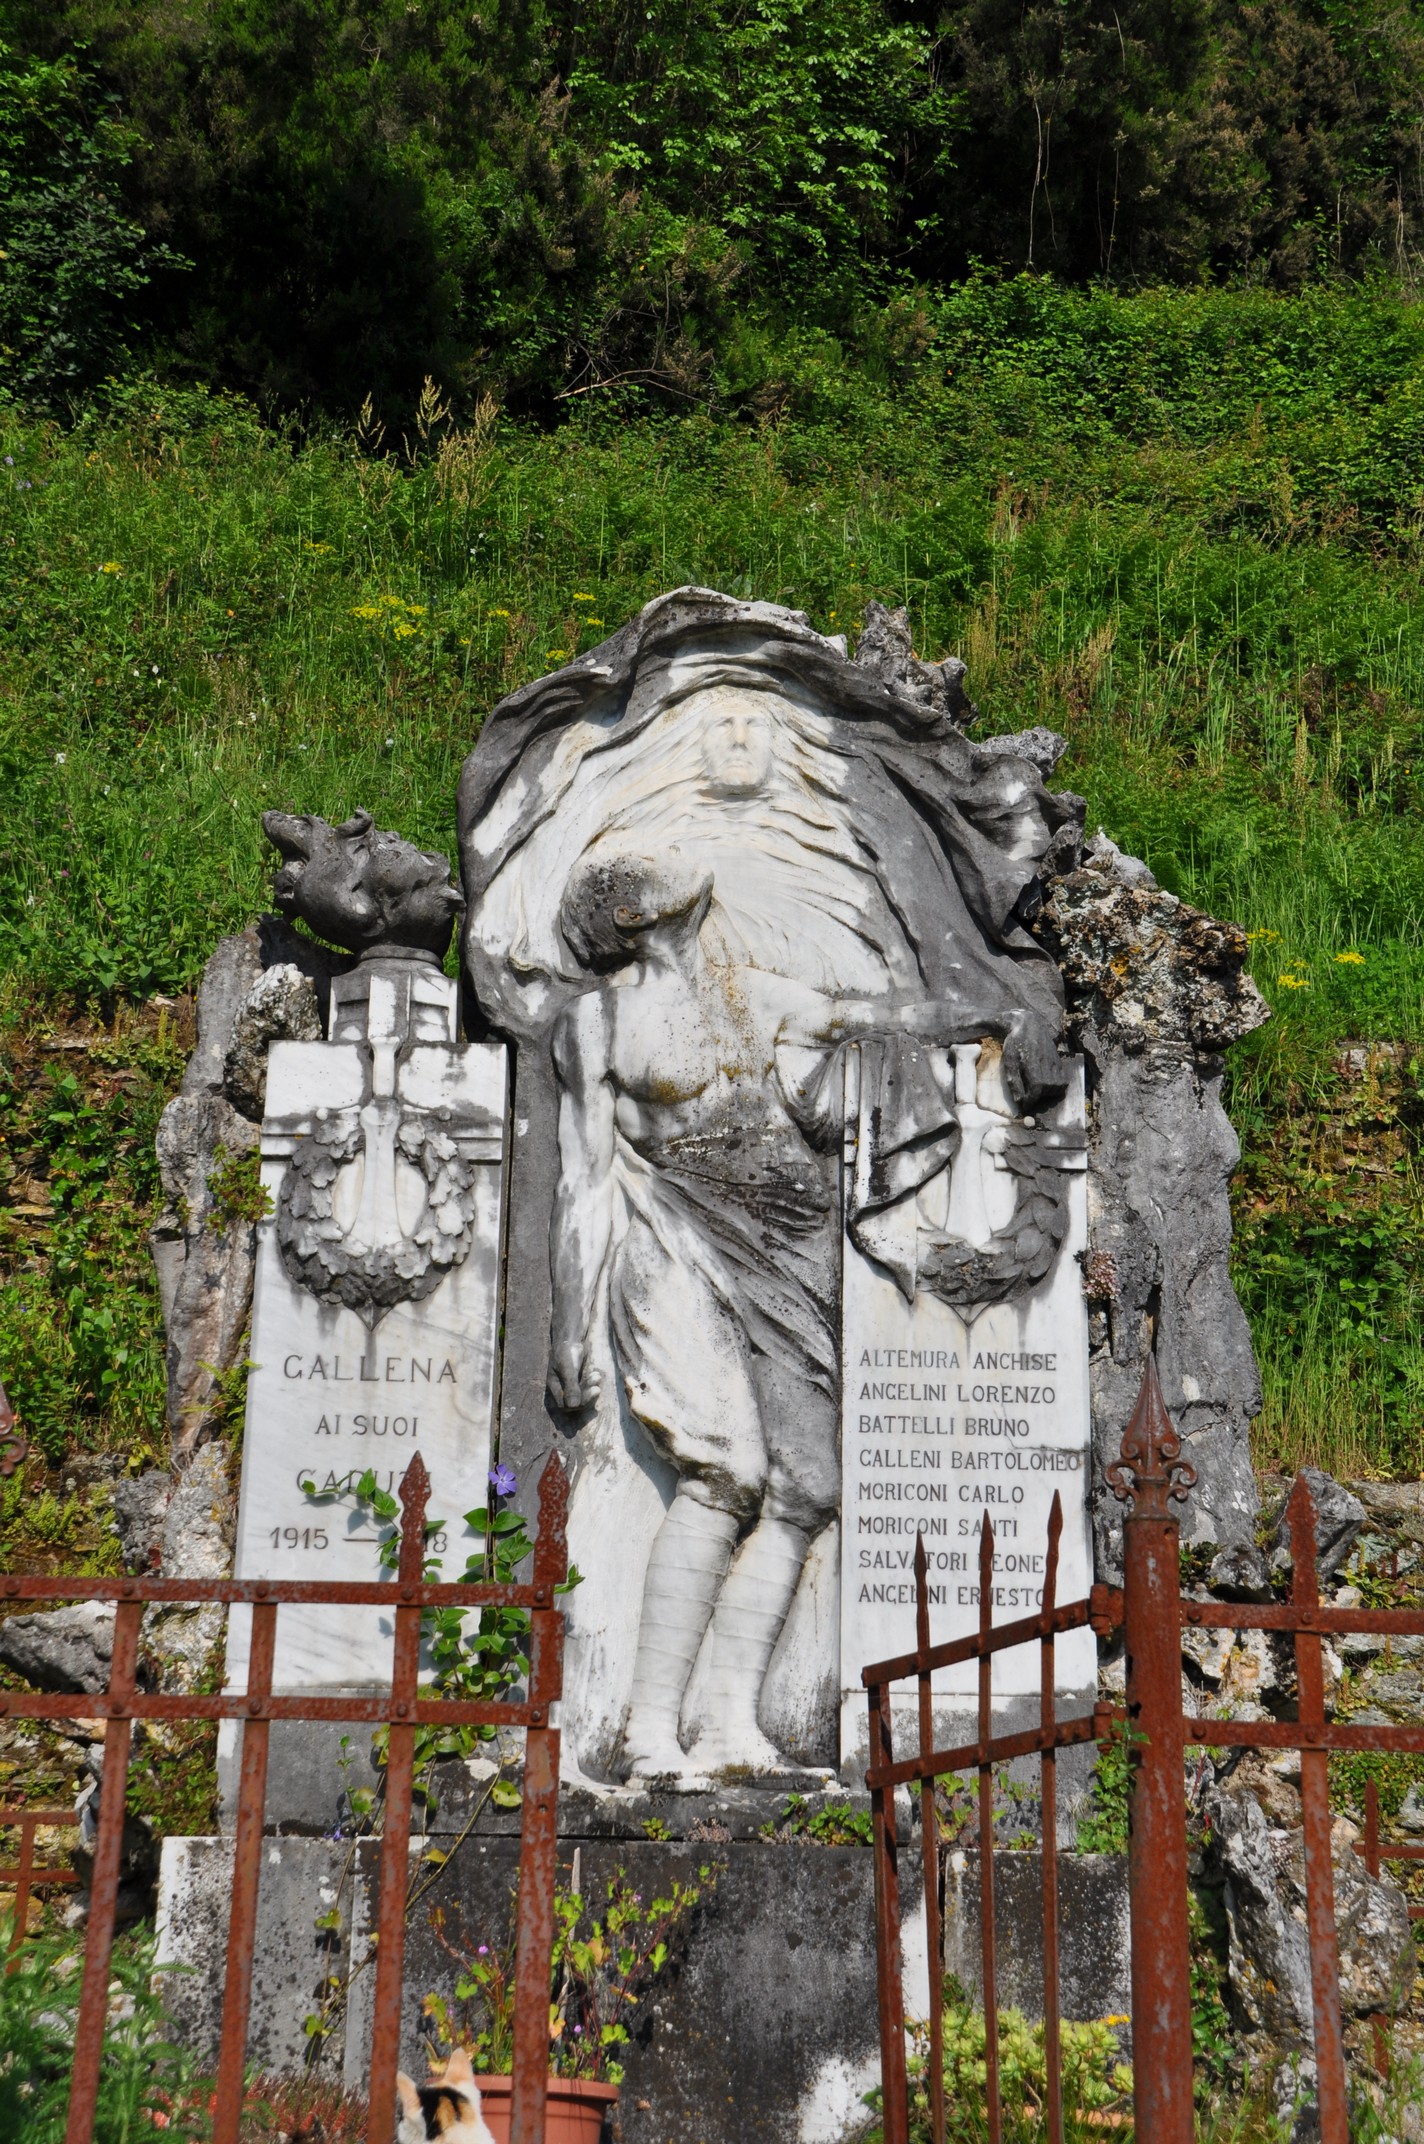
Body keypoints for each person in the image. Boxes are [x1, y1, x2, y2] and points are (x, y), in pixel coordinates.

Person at [546, 841, 1062, 1780]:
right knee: (723, 1472)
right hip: (676, 1243)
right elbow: (584, 1179)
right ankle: (647, 1728)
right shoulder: (597, 1021)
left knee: (809, 1484)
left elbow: (877, 1015)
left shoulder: (756, 992)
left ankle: (727, 1717)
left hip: (786, 1253)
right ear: (629, 918)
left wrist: (993, 1013)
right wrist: (567, 1325)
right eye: (646, 878)